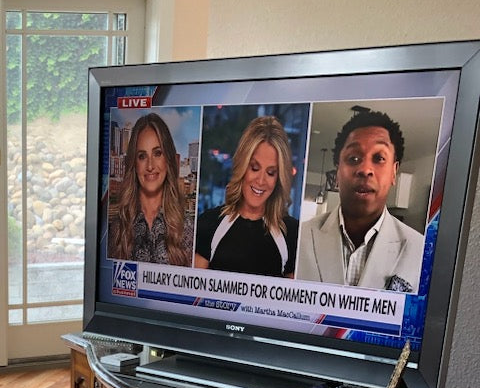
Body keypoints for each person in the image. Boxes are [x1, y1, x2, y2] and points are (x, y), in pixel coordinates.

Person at [297, 109, 424, 292]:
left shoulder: (420, 251)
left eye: (379, 158)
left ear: (394, 172)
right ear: (338, 171)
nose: (365, 169)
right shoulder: (301, 237)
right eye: (353, 158)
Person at [193, 115, 298, 278]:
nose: (261, 181)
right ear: (242, 166)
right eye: (254, 168)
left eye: (270, 173)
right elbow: (192, 295)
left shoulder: (292, 233)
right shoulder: (210, 223)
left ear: (279, 178)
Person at [108, 113, 190, 266]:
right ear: (134, 163)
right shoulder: (118, 228)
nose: (150, 166)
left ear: (168, 160)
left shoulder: (186, 227)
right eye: (142, 156)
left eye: (157, 153)